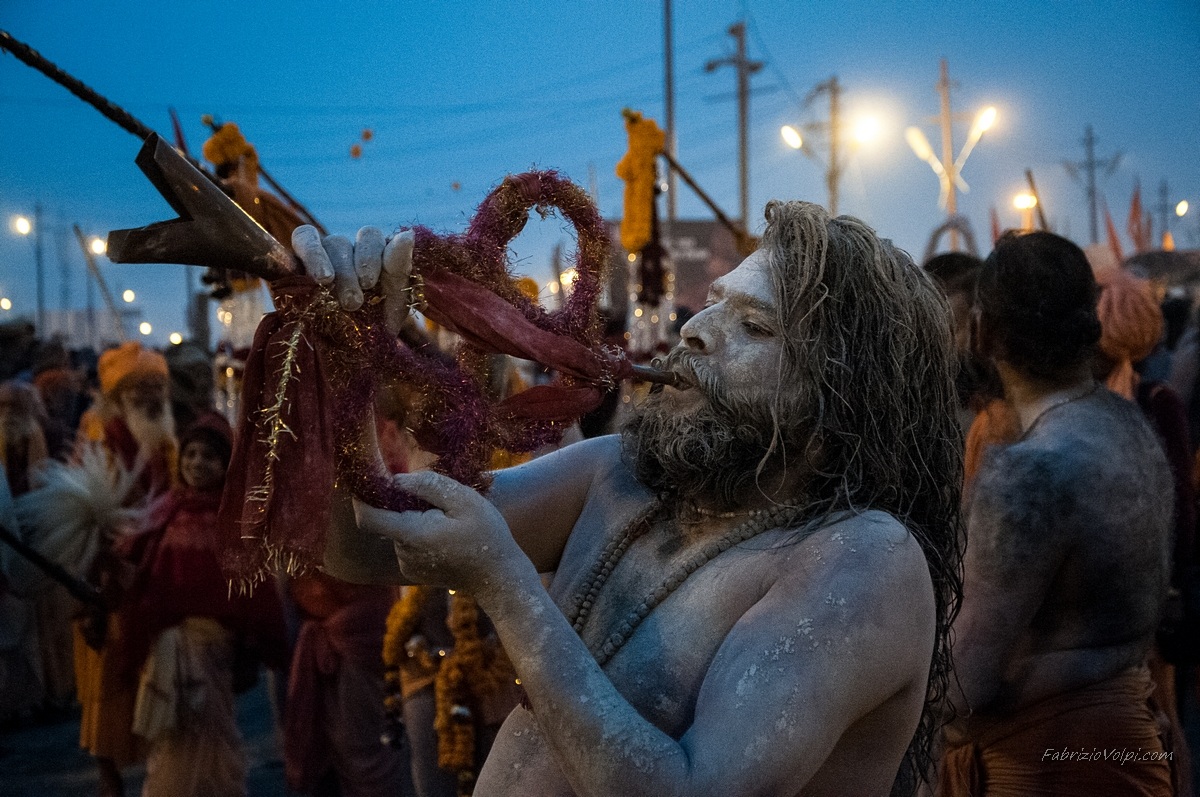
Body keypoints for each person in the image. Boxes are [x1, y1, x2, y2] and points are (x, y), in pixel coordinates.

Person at [300, 200, 964, 796]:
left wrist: (505, 582)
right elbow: (363, 545)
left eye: (755, 326)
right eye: (715, 301)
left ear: (842, 393)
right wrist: (344, 362)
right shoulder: (625, 473)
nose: (697, 329)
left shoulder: (863, 558)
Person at [941, 231, 1175, 796]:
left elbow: (962, 682)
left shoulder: (1027, 471)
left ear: (983, 332)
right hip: (1126, 738)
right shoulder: (1129, 426)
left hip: (1051, 763)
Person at [120, 415, 287, 797]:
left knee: (210, 736)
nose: (196, 463)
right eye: (190, 454)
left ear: (226, 463)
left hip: (212, 649)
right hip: (166, 652)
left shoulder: (235, 521)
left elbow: (255, 589)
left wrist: (265, 642)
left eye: (209, 456)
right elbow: (140, 570)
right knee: (172, 741)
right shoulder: (165, 511)